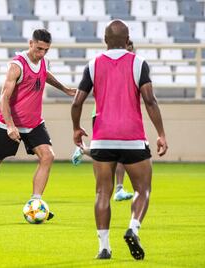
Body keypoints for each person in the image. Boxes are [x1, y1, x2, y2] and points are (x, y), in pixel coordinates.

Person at [71, 20, 168, 260]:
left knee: (102, 193)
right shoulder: (138, 63)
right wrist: (161, 133)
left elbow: (77, 102)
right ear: (128, 40)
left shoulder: (93, 64)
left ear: (105, 40)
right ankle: (133, 228)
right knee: (142, 189)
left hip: (102, 139)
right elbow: (150, 100)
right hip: (133, 139)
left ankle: (104, 247)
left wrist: (76, 128)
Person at [0, 29, 76, 222]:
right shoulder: (16, 66)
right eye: (38, 48)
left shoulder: (43, 61)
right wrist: (10, 126)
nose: (41, 53)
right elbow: (4, 97)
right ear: (30, 43)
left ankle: (36, 203)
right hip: (8, 123)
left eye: (46, 50)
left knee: (48, 156)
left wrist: (65, 88)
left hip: (34, 123)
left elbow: (45, 74)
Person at [71, 40, 136, 202]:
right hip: (102, 114)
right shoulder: (105, 65)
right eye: (126, 48)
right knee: (107, 152)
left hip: (123, 115)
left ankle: (119, 188)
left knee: (121, 152)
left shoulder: (133, 65)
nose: (127, 52)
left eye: (130, 49)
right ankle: (85, 152)